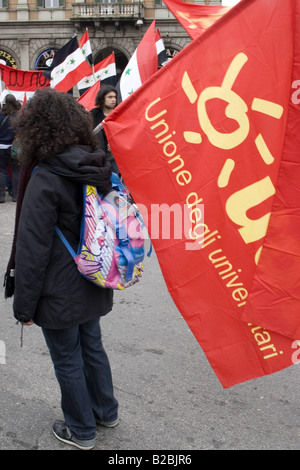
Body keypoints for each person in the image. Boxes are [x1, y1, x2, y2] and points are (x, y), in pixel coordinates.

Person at [5, 88, 118, 450]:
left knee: (68, 358)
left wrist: (24, 306)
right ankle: (105, 411)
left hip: (58, 287)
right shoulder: (94, 161)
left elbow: (32, 248)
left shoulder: (45, 175)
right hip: (93, 274)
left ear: (35, 128)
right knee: (92, 347)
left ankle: (81, 429)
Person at [90, 85, 120, 176]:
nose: (113, 100)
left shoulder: (120, 113)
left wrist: (116, 142)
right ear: (102, 99)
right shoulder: (94, 114)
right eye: (110, 97)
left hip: (117, 156)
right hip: (98, 155)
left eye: (114, 97)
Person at [0, 94, 21, 203]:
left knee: (1, 171)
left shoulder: (0, 115)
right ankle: (16, 195)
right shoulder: (17, 116)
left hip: (1, 147)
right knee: (16, 171)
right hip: (14, 147)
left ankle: (1, 196)